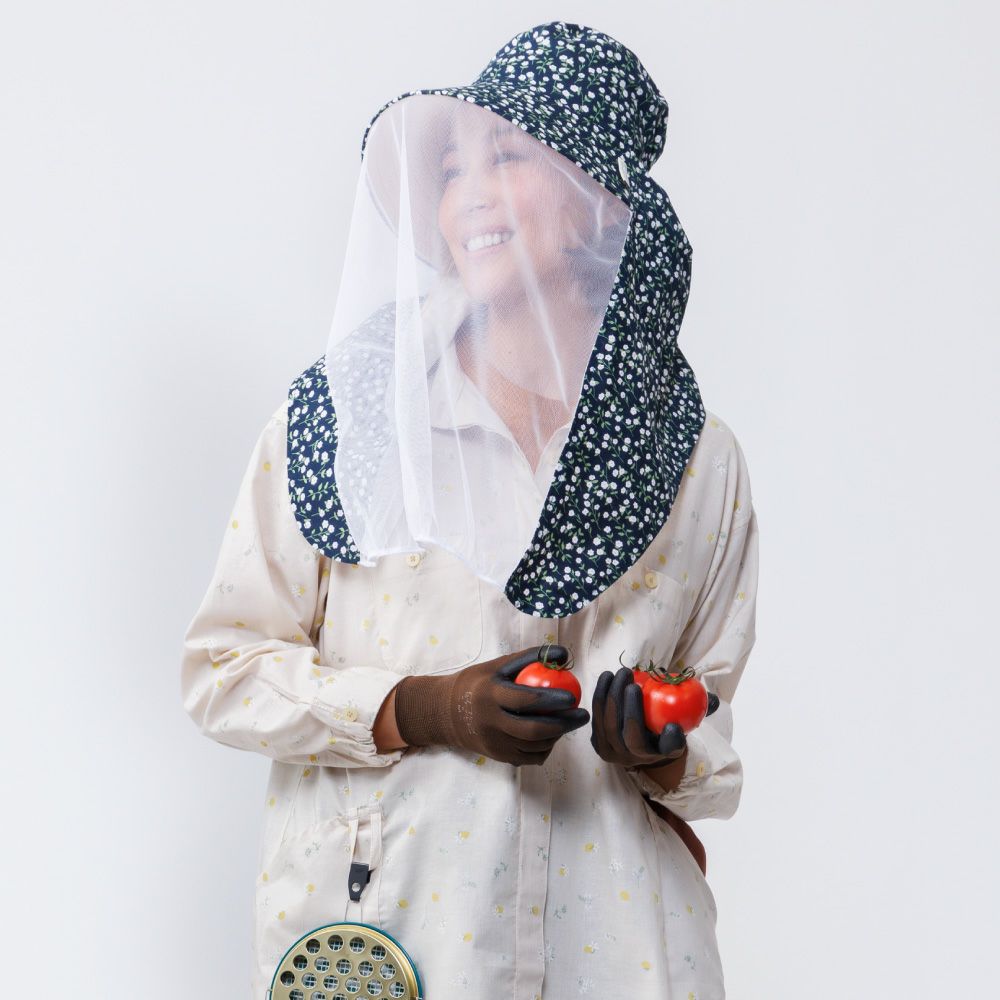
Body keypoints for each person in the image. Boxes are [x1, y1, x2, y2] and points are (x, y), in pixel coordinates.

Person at [181, 21, 759, 1000]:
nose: (470, 196)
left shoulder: (696, 460)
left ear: (598, 196)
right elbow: (221, 669)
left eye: (509, 157)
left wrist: (658, 750)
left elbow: (710, 731)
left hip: (622, 953)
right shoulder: (347, 418)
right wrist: (422, 707)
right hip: (392, 943)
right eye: (452, 171)